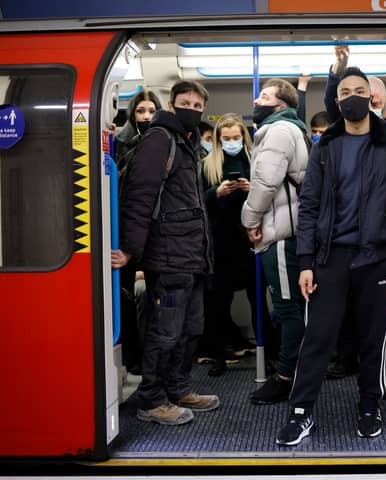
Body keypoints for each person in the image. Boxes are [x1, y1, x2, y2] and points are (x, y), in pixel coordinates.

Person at [276, 67, 386, 446]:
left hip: (377, 259)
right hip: (330, 257)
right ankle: (301, 412)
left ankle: (370, 406)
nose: (353, 96)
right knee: (318, 338)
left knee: (373, 340)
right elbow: (308, 206)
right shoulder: (325, 145)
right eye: (345, 91)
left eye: (360, 90)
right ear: (337, 100)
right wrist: (306, 261)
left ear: (373, 97)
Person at [111, 80, 220, 426]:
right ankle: (152, 398)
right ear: (171, 106)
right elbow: (139, 197)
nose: (192, 109)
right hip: (169, 257)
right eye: (186, 103)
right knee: (166, 331)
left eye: (198, 105)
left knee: (191, 328)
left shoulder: (185, 143)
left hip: (191, 258)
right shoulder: (159, 140)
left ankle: (177, 387)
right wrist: (130, 249)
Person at [241, 78, 309, 405]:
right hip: (285, 230)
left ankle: (285, 377)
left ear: (279, 106)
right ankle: (293, 370)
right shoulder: (285, 129)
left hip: (282, 235)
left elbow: (266, 182)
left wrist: (249, 219)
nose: (257, 100)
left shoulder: (279, 130)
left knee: (287, 307)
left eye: (264, 96)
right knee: (290, 306)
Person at [201, 113, 274, 377]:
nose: (232, 142)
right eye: (227, 138)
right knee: (219, 305)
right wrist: (216, 193)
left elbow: (269, 196)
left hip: (250, 241)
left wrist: (251, 189)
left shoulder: (256, 162)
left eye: (236, 137)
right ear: (219, 140)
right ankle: (218, 356)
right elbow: (200, 202)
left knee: (259, 303)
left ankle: (270, 357)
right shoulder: (208, 165)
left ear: (244, 136)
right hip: (221, 244)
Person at [113, 89, 162, 375]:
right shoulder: (119, 145)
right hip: (127, 231)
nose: (146, 116)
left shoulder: (164, 144)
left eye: (151, 111)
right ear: (132, 114)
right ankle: (135, 360)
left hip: (156, 234)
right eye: (141, 111)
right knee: (127, 300)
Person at [324, 45, 386, 138]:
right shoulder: (349, 120)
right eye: (367, 103)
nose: (370, 109)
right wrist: (340, 64)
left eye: (375, 104)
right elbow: (331, 100)